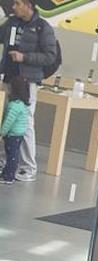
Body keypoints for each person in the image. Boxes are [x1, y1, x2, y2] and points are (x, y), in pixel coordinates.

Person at [1, 0, 57, 182]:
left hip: (27, 82)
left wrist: (24, 57)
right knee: (5, 119)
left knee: (24, 123)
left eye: (17, 3)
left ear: (28, 5)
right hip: (9, 77)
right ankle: (6, 161)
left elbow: (50, 57)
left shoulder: (43, 28)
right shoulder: (11, 22)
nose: (14, 7)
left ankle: (27, 167)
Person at [1, 75, 30, 183]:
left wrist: (2, 132)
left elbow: (9, 121)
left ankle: (9, 176)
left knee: (11, 156)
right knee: (13, 155)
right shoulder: (23, 105)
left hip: (12, 134)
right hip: (19, 134)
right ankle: (7, 173)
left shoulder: (14, 105)